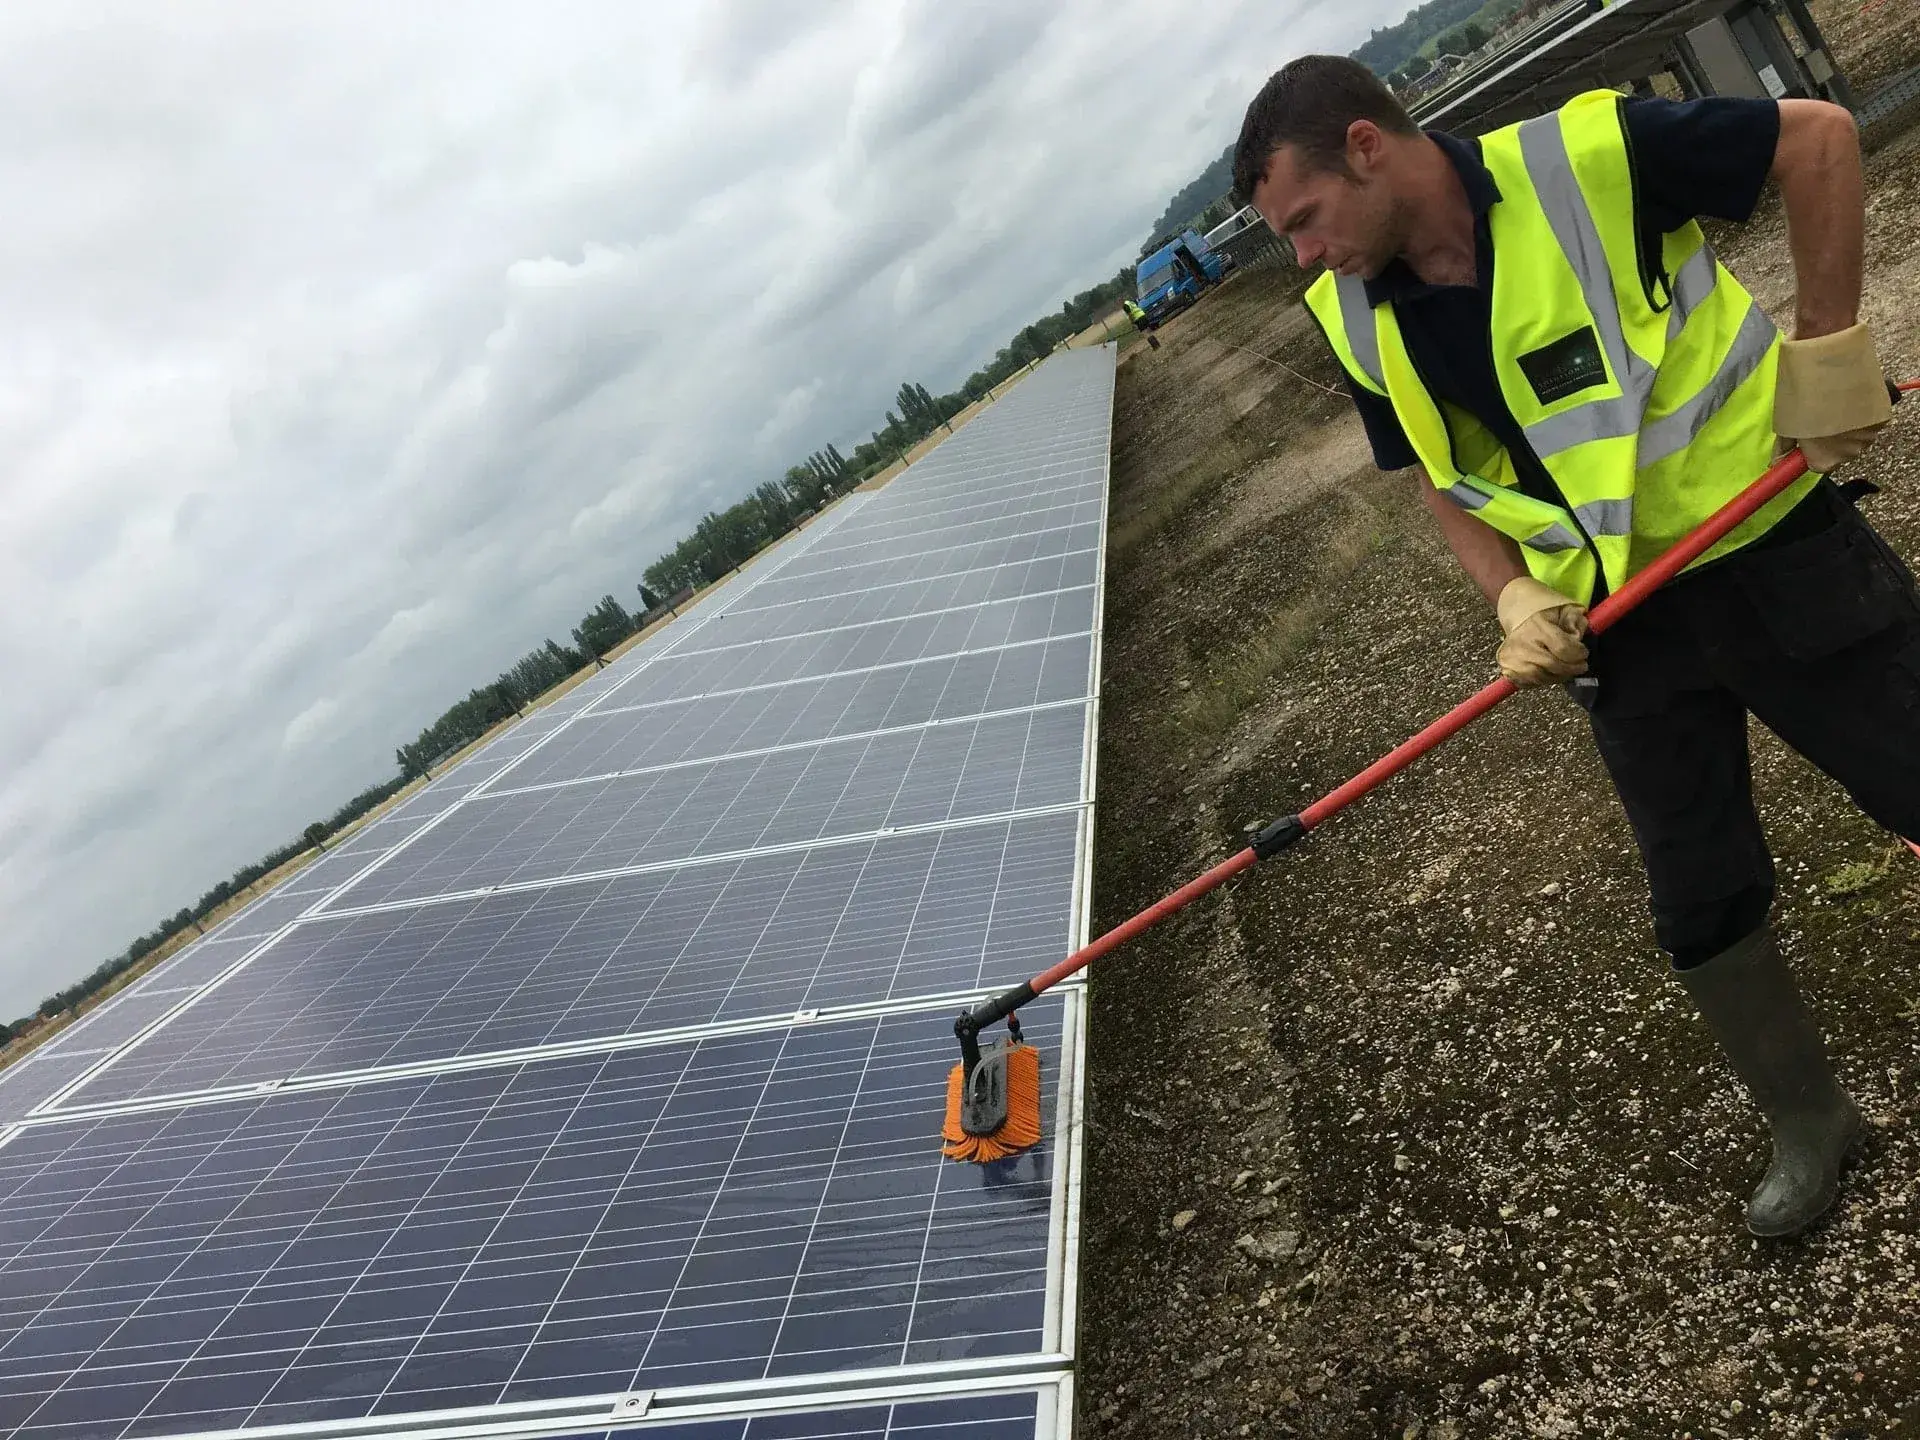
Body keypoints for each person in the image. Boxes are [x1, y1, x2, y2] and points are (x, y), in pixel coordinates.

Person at [1234, 55, 1917, 1238]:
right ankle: (1812, 1125)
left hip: (1763, 535)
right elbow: (1439, 479)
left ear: (1364, 147)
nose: (1303, 255)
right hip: (1618, 624)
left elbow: (1818, 143)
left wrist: (1825, 351)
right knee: (1697, 894)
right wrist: (1509, 597)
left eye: (1302, 220)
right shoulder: (1352, 312)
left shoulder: (1586, 159)